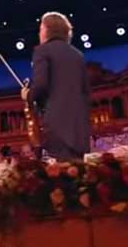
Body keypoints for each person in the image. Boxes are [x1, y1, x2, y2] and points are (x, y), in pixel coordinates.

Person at [21, 12, 91, 160]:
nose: (39, 33)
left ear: (48, 30)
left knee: (63, 171)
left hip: (57, 126)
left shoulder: (42, 51)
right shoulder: (77, 54)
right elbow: (85, 91)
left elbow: (41, 86)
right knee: (77, 170)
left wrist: (28, 95)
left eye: (41, 29)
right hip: (79, 127)